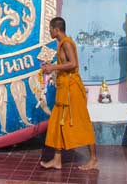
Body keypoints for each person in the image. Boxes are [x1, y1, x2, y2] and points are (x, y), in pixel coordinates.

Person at [40, 16, 98, 170]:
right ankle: (57, 160)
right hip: (63, 89)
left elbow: (73, 63)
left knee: (82, 122)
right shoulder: (61, 44)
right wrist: (51, 67)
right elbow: (65, 64)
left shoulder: (66, 43)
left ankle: (93, 159)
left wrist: (53, 67)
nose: (49, 32)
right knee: (57, 123)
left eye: (50, 29)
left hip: (72, 90)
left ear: (56, 29)